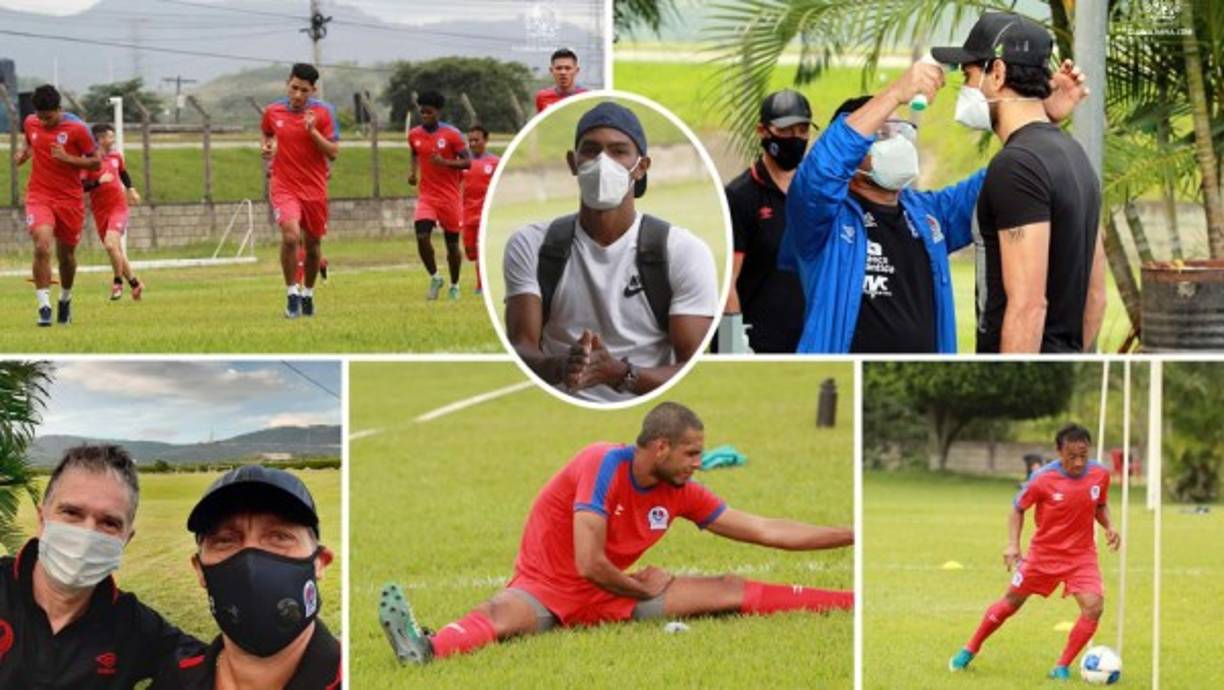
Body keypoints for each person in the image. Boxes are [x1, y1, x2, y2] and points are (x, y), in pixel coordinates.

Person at [379, 402, 853, 665]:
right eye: (691, 453)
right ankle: (426, 647)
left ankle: (850, 601)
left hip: (612, 595)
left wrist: (853, 533)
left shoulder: (681, 490)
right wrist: (641, 586)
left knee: (727, 590)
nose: (697, 463)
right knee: (500, 617)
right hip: (548, 587)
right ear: (661, 447)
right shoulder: (603, 462)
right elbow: (589, 563)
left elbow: (767, 529)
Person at [780, 52, 1088, 353]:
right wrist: (895, 93)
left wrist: (1041, 117)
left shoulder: (928, 215)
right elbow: (822, 169)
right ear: (852, 150)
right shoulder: (821, 219)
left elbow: (1010, 176)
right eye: (883, 133)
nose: (897, 142)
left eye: (901, 131)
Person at [502, 102, 719, 402]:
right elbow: (520, 345)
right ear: (573, 162)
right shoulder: (533, 245)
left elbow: (691, 366)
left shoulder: (683, 252)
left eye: (618, 151)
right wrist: (559, 365)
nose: (603, 163)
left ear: (641, 167)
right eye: (591, 150)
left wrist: (619, 373)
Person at [930, 12, 1107, 353]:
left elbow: (1028, 307)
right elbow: (1095, 297)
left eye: (967, 76)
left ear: (996, 73)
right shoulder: (1074, 155)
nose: (965, 90)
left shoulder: (1016, 167)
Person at [0, 445, 202, 688]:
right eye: (72, 512)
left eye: (109, 523)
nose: (87, 534)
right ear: (42, 520)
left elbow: (215, 663)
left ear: (126, 539)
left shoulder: (132, 624)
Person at [949, 423, 1120, 680]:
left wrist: (1109, 526)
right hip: (1044, 554)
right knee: (1011, 603)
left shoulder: (1099, 474)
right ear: (1058, 451)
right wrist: (1013, 544)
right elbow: (1018, 508)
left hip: (1081, 555)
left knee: (1094, 607)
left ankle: (1061, 667)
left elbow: (1100, 504)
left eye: (1083, 455)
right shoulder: (1042, 479)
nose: (1077, 462)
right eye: (1071, 456)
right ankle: (969, 649)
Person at [150, 465, 341, 689]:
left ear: (320, 562)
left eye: (279, 536)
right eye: (224, 540)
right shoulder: (174, 681)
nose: (250, 561)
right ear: (200, 570)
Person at [719, 89, 811, 353]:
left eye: (802, 130)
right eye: (785, 131)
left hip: (806, 340)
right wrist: (733, 342)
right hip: (756, 341)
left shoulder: (815, 193)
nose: (795, 139)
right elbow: (727, 280)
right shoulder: (740, 196)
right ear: (763, 131)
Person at [15, 84, 100, 327]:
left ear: (59, 110)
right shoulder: (31, 122)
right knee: (42, 245)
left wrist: (68, 158)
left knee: (67, 256)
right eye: (40, 117)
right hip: (39, 195)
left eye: (49, 117)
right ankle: (43, 306)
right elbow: (31, 142)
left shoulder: (77, 130)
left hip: (70, 199)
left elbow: (96, 163)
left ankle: (65, 299)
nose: (44, 122)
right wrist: (24, 154)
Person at [261, 63, 339, 320]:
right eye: (293, 88)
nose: (297, 95)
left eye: (303, 91)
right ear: (288, 83)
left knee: (314, 245)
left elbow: (333, 153)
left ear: (313, 90)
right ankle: (292, 293)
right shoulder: (273, 111)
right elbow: (267, 134)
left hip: (315, 188)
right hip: (283, 185)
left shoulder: (324, 113)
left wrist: (312, 131)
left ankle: (308, 294)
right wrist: (267, 147)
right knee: (291, 237)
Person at [407, 90, 470, 301]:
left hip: (450, 198)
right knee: (422, 236)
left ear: (438, 112)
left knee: (452, 245)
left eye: (429, 112)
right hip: (427, 196)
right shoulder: (414, 134)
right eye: (422, 112)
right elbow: (415, 152)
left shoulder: (452, 135)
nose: (425, 116)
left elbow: (468, 162)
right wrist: (413, 172)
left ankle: (454, 285)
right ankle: (435, 277)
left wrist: (445, 163)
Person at [82, 122, 144, 302]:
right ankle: (135, 283)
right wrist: (98, 182)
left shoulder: (117, 156)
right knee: (115, 249)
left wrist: (131, 189)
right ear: (100, 139)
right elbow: (82, 185)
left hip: (119, 207)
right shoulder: (89, 161)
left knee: (111, 245)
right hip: (100, 211)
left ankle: (117, 282)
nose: (113, 140)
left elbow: (123, 173)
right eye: (110, 136)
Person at [461, 124, 500, 295]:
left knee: (481, 248)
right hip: (467, 213)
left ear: (486, 140)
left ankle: (481, 286)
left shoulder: (495, 162)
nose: (473, 143)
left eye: (476, 140)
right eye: (470, 140)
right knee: (470, 251)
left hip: (485, 214)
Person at [535, 48, 587, 113]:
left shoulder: (586, 97)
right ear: (551, 70)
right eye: (558, 68)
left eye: (568, 68)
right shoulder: (542, 97)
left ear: (576, 70)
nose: (563, 72)